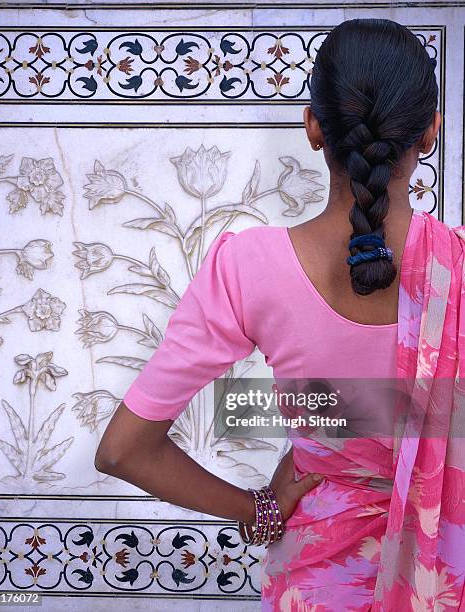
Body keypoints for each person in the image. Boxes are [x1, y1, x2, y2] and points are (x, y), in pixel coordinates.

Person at [95, 18, 465, 610]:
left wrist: (260, 507)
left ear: (314, 126)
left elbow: (123, 450)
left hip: (317, 579)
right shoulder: (460, 268)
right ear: (429, 134)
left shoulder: (246, 267)